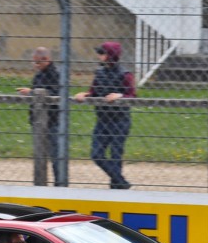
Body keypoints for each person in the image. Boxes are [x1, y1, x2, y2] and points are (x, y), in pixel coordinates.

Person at [74, 41, 135, 189]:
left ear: (110, 56)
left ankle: (116, 187)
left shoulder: (125, 75)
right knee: (96, 154)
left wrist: (120, 96)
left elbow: (132, 95)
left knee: (116, 155)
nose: (99, 56)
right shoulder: (99, 73)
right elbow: (94, 91)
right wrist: (85, 94)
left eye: (102, 53)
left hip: (120, 120)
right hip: (102, 120)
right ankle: (121, 182)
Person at [16, 47, 62, 185]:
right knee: (40, 154)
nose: (35, 65)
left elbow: (54, 94)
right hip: (39, 121)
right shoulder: (39, 74)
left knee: (56, 155)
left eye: (38, 63)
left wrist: (32, 92)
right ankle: (41, 183)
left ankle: (60, 184)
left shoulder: (55, 74)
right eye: (34, 62)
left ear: (47, 60)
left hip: (52, 120)